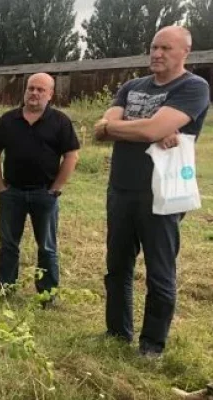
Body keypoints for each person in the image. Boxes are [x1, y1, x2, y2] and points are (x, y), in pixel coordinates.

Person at [94, 26, 210, 357]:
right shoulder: (132, 86)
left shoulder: (194, 87)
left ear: (184, 52)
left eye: (166, 48)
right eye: (154, 47)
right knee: (117, 267)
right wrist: (144, 130)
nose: (157, 53)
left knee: (160, 274)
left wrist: (134, 128)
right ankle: (117, 333)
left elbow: (146, 128)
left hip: (163, 195)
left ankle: (152, 345)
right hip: (120, 189)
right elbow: (101, 129)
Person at [0, 72, 80, 306]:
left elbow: (71, 155)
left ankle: (47, 295)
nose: (34, 93)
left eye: (41, 89)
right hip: (12, 193)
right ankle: (5, 290)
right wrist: (0, 186)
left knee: (47, 247)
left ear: (50, 94)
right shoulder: (8, 120)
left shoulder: (60, 122)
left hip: (44, 194)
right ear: (25, 91)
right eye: (31, 88)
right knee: (8, 245)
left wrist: (55, 188)